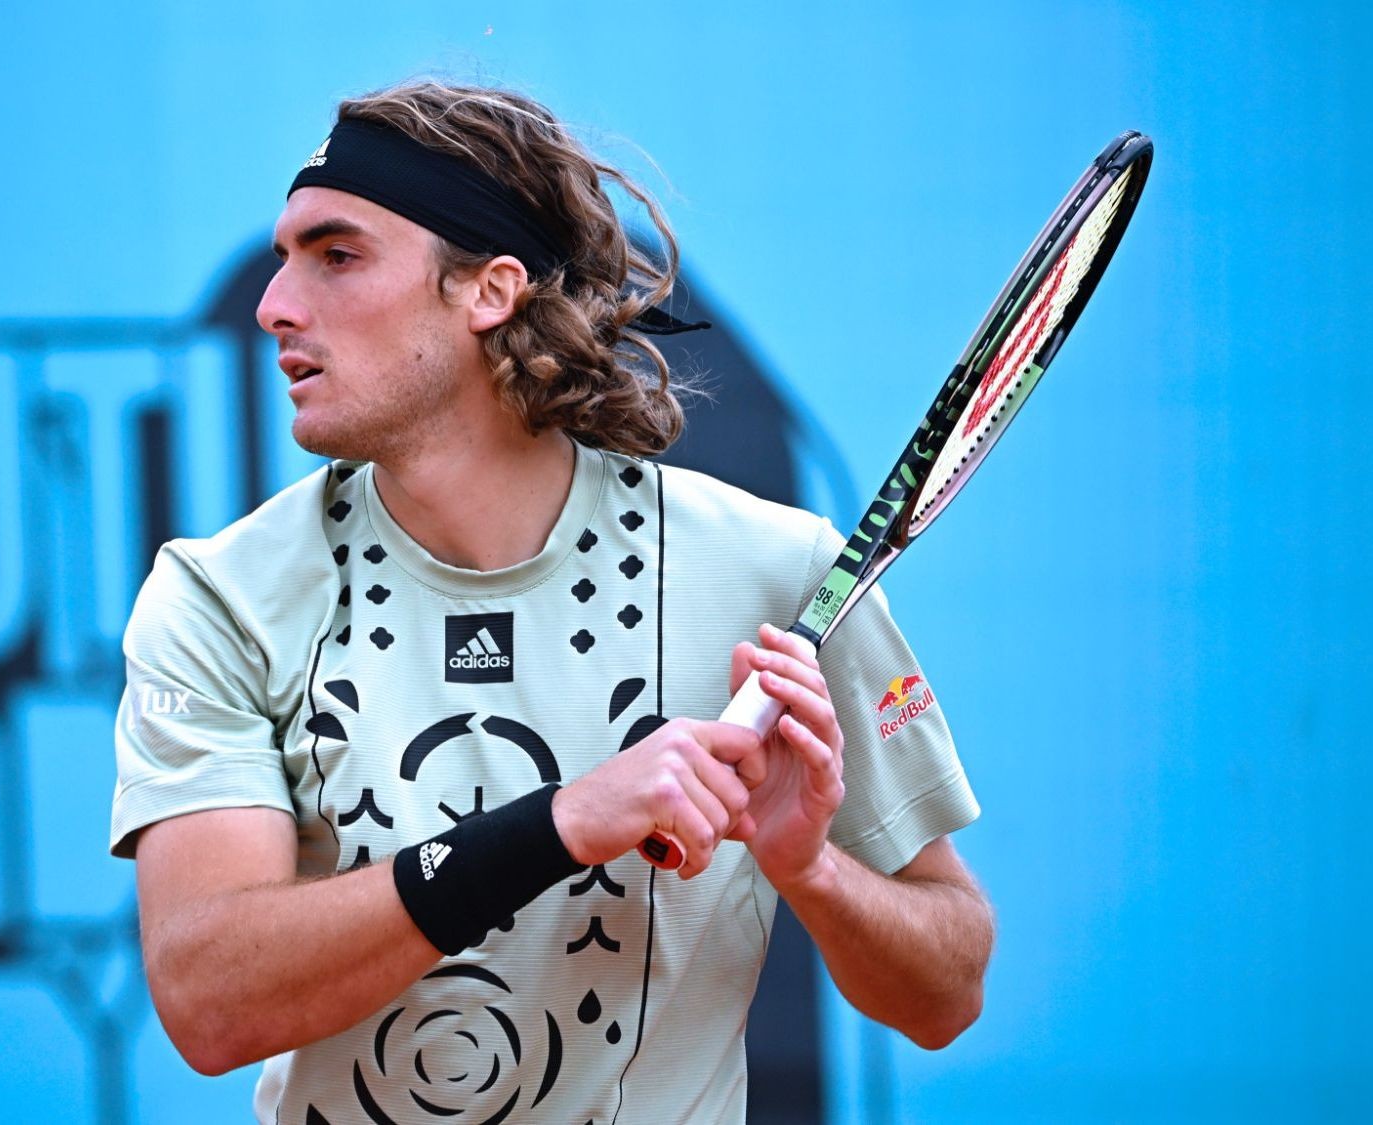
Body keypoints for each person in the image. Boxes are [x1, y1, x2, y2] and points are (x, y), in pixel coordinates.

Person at [110, 80, 994, 1124]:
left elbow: (945, 993)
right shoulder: (219, 595)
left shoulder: (777, 571)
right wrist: (562, 824)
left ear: (489, 291)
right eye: (282, 257)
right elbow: (210, 1003)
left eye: (336, 256)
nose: (273, 306)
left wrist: (811, 872)